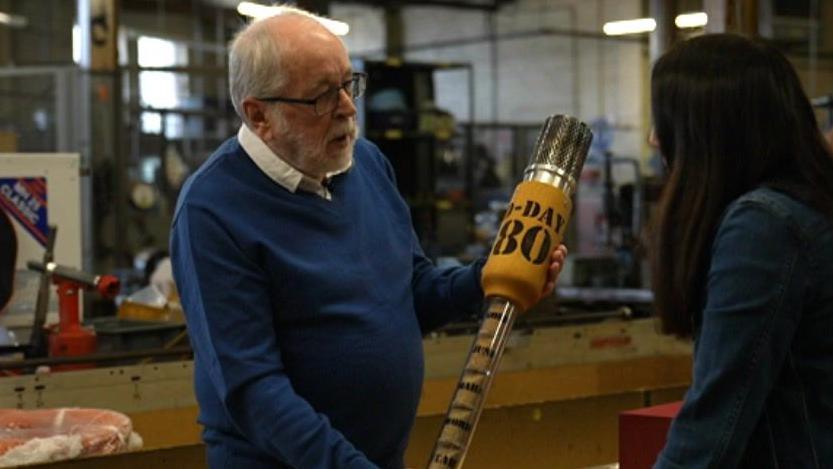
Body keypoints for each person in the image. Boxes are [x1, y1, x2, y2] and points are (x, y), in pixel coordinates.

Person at [170, 7, 566, 469]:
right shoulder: (212, 210)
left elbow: (409, 290)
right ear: (260, 115)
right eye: (321, 96)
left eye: (347, 83)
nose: (347, 107)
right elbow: (254, 389)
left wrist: (490, 280)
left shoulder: (368, 164)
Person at [649, 34, 833, 468]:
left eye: (667, 121)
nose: (656, 140)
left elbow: (715, 422)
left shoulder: (765, 227)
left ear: (709, 129)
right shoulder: (809, 208)